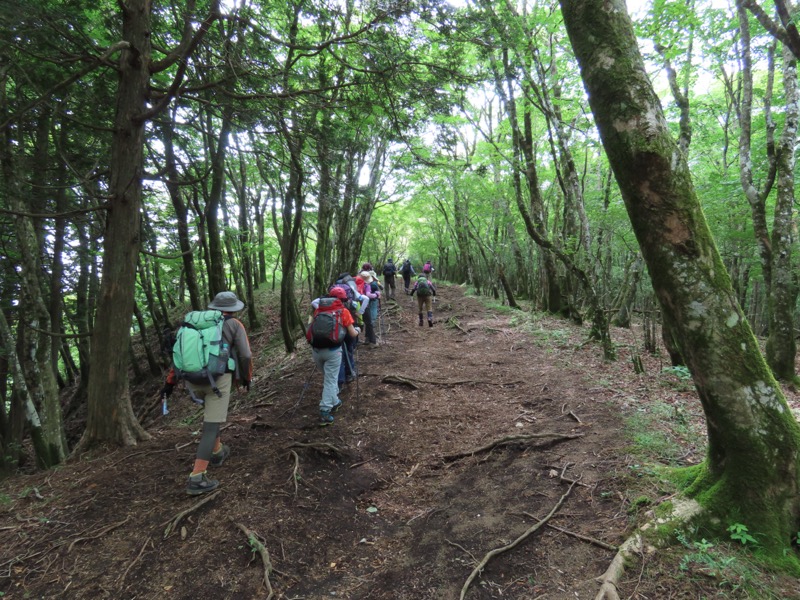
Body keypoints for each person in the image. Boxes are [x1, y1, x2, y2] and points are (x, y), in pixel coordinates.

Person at [163, 291, 252, 496]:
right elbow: (245, 354)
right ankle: (197, 477)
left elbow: (177, 355)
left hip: (192, 380)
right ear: (233, 309)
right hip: (218, 380)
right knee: (211, 426)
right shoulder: (233, 325)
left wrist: (170, 383)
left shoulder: (192, 325)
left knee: (211, 417)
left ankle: (217, 452)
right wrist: (246, 377)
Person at [309, 287, 360, 425]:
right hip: (333, 351)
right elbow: (352, 333)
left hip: (316, 351)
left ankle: (335, 401)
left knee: (328, 378)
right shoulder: (343, 312)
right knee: (331, 380)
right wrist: (358, 329)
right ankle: (325, 411)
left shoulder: (318, 310)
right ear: (343, 299)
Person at [359, 271, 380, 347]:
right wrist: (376, 294)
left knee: (361, 323)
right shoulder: (366, 285)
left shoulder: (355, 284)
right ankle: (373, 342)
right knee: (369, 323)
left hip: (356, 305)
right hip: (365, 305)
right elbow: (368, 295)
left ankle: (366, 339)